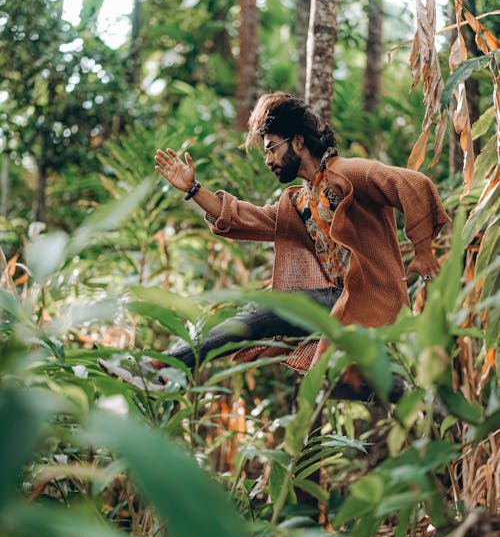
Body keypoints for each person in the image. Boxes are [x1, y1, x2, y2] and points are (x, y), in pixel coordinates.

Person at [99, 92, 449, 399]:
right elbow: (245, 218)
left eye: (271, 148)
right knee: (321, 367)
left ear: (298, 142)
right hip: (339, 305)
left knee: (270, 310)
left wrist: (423, 250)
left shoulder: (349, 173)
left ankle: (162, 367)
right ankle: (409, 395)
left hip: (369, 300)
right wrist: (194, 190)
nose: (267, 160)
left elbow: (412, 183)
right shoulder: (300, 200)